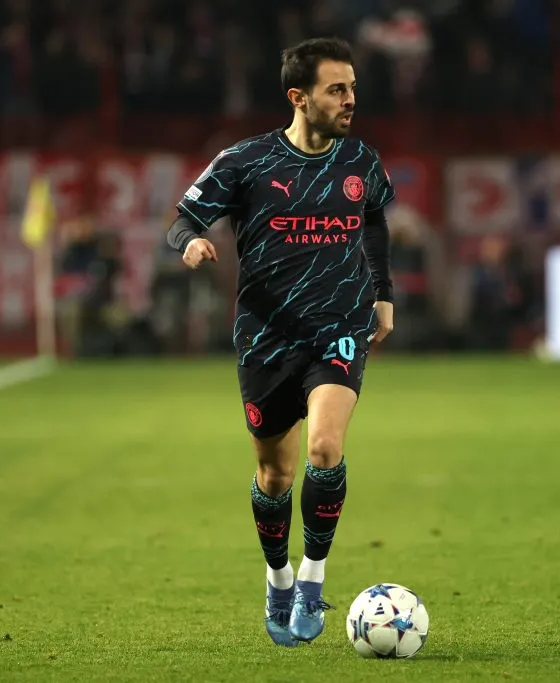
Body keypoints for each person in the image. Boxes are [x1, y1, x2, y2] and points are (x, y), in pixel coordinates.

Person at [165, 37, 395, 647]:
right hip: (266, 337)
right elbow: (182, 219)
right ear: (299, 97)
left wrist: (383, 293)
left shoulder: (361, 161)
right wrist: (191, 242)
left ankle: (314, 581)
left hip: (339, 327)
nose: (350, 99)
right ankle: (279, 578)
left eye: (352, 87)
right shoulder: (246, 161)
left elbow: (374, 221)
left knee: (325, 447)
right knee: (274, 474)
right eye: (336, 89)